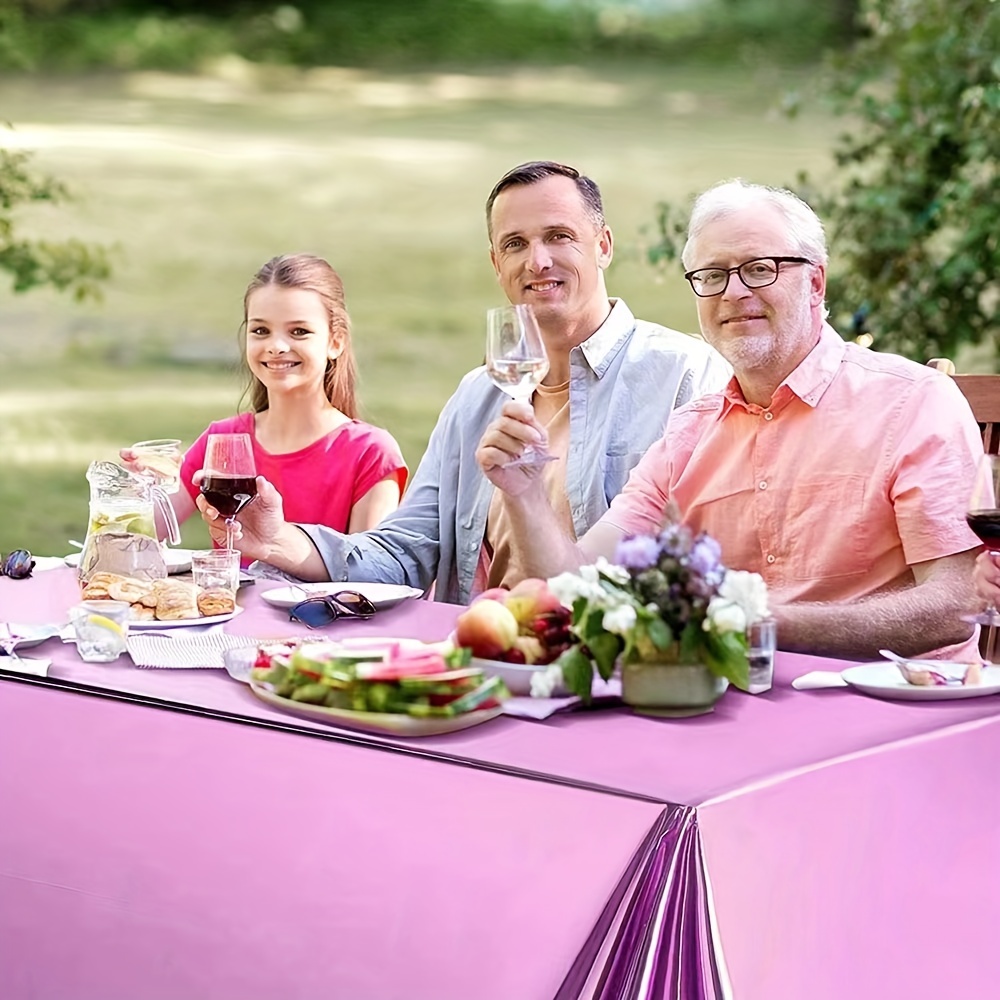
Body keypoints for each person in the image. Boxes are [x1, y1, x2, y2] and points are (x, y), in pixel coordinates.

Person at [476, 179, 984, 661]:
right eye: (712, 275)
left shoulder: (912, 402)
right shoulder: (689, 434)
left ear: (815, 281)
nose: (733, 292)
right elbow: (574, 589)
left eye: (760, 269)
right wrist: (524, 494)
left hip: (893, 711)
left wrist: (761, 625)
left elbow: (955, 606)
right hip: (729, 710)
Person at [198, 161, 730, 602]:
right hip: (483, 659)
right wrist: (280, 541)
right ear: (497, 263)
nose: (538, 260)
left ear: (604, 245)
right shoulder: (480, 395)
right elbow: (406, 552)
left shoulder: (685, 374)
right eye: (516, 244)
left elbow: (691, 564)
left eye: (558, 237)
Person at [123, 254, 407, 536]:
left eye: (299, 331)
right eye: (261, 330)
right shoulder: (222, 442)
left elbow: (369, 574)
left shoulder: (370, 454)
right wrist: (141, 490)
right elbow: (137, 538)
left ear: (335, 342)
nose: (277, 346)